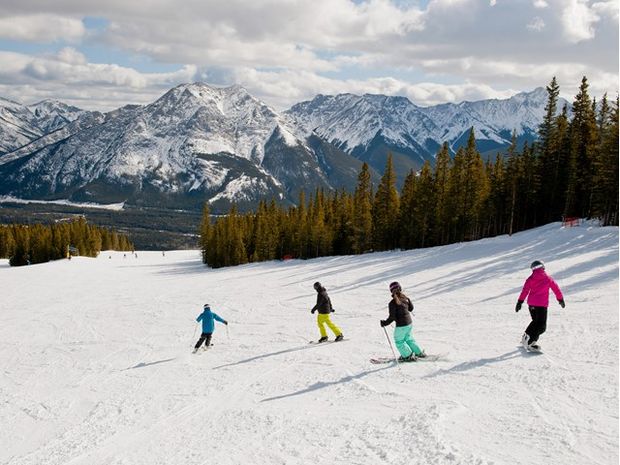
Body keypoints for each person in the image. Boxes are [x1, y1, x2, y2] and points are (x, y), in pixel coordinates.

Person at [515, 260, 565, 352]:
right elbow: (556, 289)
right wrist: (560, 299)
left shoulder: (530, 279)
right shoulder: (547, 278)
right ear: (543, 267)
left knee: (535, 322)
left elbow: (525, 290)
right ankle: (531, 343)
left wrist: (520, 302)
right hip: (541, 306)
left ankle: (525, 338)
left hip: (531, 305)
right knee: (541, 327)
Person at [380, 281, 425, 362]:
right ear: (400, 288)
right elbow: (411, 309)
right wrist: (408, 300)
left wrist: (384, 323)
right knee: (409, 339)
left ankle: (407, 355)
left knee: (399, 341)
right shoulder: (405, 298)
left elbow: (392, 317)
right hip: (409, 324)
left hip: (401, 326)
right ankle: (418, 352)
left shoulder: (392, 303)